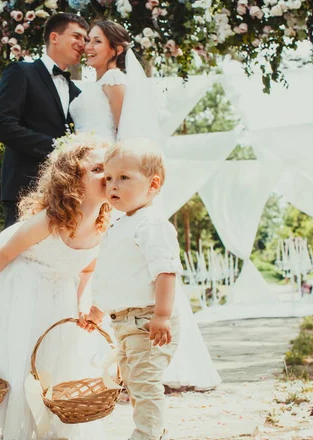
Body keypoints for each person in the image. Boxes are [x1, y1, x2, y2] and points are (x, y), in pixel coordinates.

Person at [73, 21, 221, 392]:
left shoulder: (114, 82)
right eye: (86, 40)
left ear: (115, 49)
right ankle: (111, 357)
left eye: (96, 41)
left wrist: (116, 178)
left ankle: (152, 338)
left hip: (107, 170)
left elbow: (126, 135)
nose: (88, 47)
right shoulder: (88, 86)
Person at [0, 134, 110, 440]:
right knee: (24, 361)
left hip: (60, 293)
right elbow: (3, 252)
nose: (107, 176)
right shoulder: (51, 220)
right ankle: (18, 428)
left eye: (111, 169)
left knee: (56, 360)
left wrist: (81, 303)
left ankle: (52, 428)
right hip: (24, 289)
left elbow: (87, 265)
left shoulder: (104, 223)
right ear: (72, 179)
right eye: (97, 169)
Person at [80, 140, 182, 440]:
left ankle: (147, 434)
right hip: (124, 323)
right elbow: (113, 274)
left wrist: (162, 315)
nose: (113, 185)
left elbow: (166, 271)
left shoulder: (151, 224)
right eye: (109, 178)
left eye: (124, 178)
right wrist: (98, 310)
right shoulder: (119, 224)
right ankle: (153, 430)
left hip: (148, 321)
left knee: (145, 382)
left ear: (153, 184)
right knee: (135, 383)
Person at [0, 13, 89, 228]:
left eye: (86, 39)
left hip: (64, 194)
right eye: (77, 36)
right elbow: (1, 125)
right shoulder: (21, 72)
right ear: (54, 37)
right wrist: (56, 147)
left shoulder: (78, 93)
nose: (83, 44)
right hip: (24, 189)